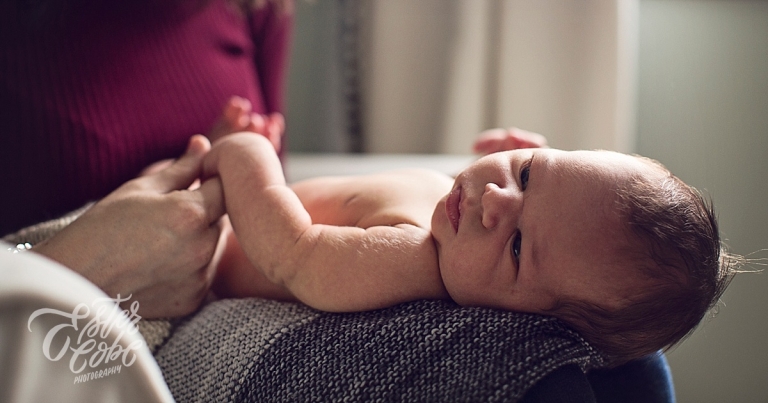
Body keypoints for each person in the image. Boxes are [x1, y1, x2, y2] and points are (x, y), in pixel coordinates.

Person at [202, 112, 739, 366]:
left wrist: (245, 155)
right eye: (529, 173)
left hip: (204, 255)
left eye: (520, 247)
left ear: (520, 324)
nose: (498, 201)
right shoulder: (461, 233)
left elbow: (291, 253)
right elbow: (548, 213)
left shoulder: (408, 259)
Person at [0, 0, 293, 318]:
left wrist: (220, 163)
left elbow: (280, 202)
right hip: (54, 351)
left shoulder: (256, 8)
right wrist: (74, 269)